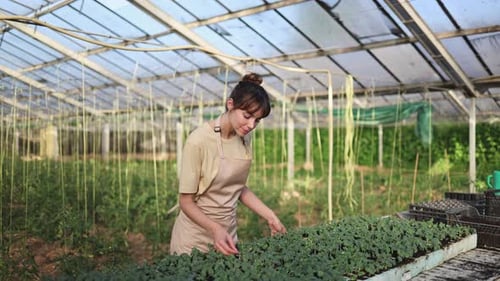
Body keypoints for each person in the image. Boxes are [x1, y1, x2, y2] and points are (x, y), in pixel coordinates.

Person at [169, 72, 287, 256]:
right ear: (230, 104)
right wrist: (215, 229)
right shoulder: (198, 141)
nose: (251, 125)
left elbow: (237, 187)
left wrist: (270, 215)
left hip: (227, 235)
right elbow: (185, 202)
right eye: (247, 116)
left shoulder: (244, 138)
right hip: (194, 239)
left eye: (257, 120)